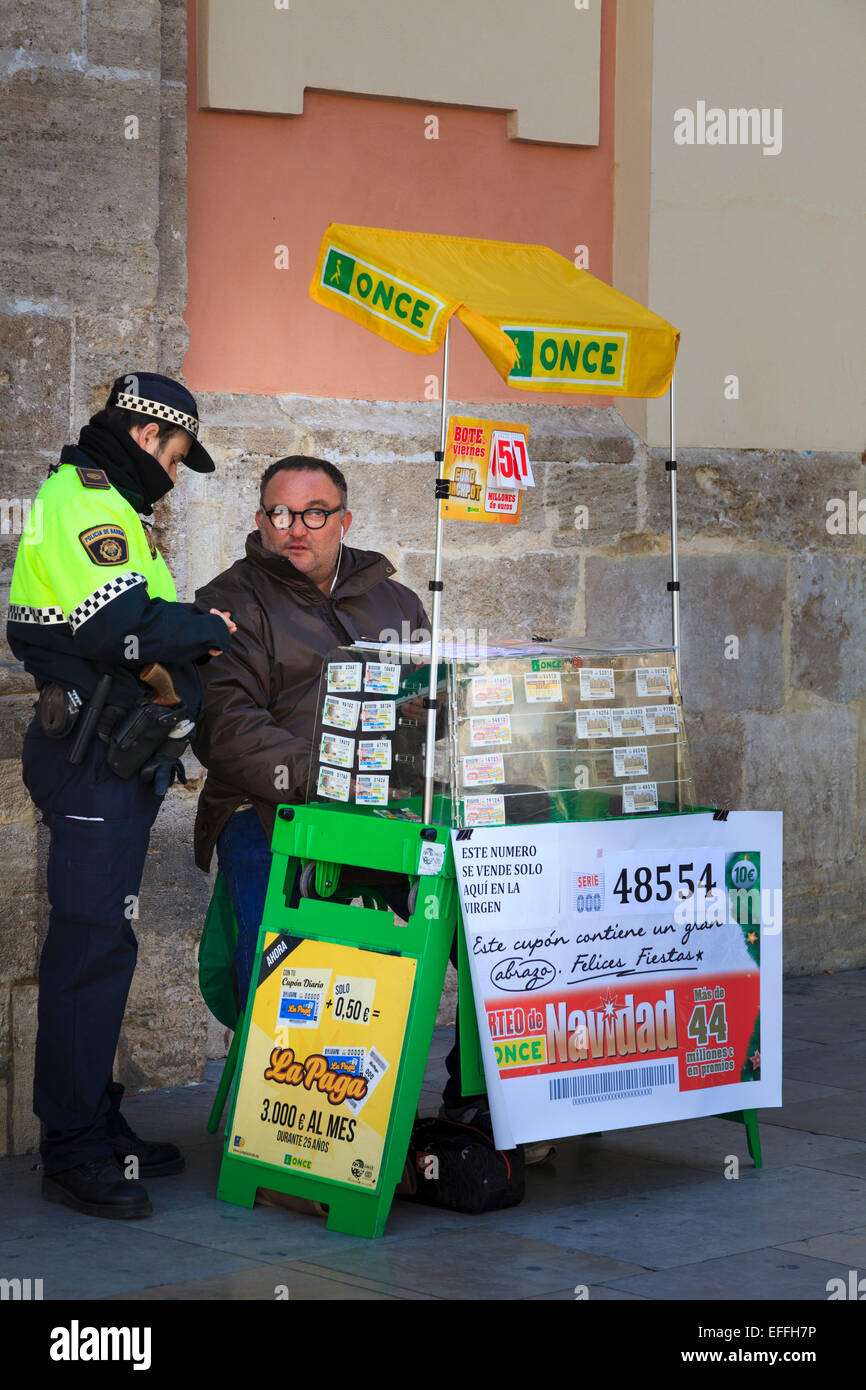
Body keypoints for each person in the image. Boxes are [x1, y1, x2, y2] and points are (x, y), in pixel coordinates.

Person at [6, 372, 236, 1220]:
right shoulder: (87, 500)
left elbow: (136, 624)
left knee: (105, 945)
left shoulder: (109, 507)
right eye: (178, 455)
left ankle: (96, 1123)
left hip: (112, 754)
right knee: (90, 948)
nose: (178, 474)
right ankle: (72, 1150)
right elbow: (120, 626)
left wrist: (179, 637)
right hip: (93, 755)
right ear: (148, 437)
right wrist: (209, 630)